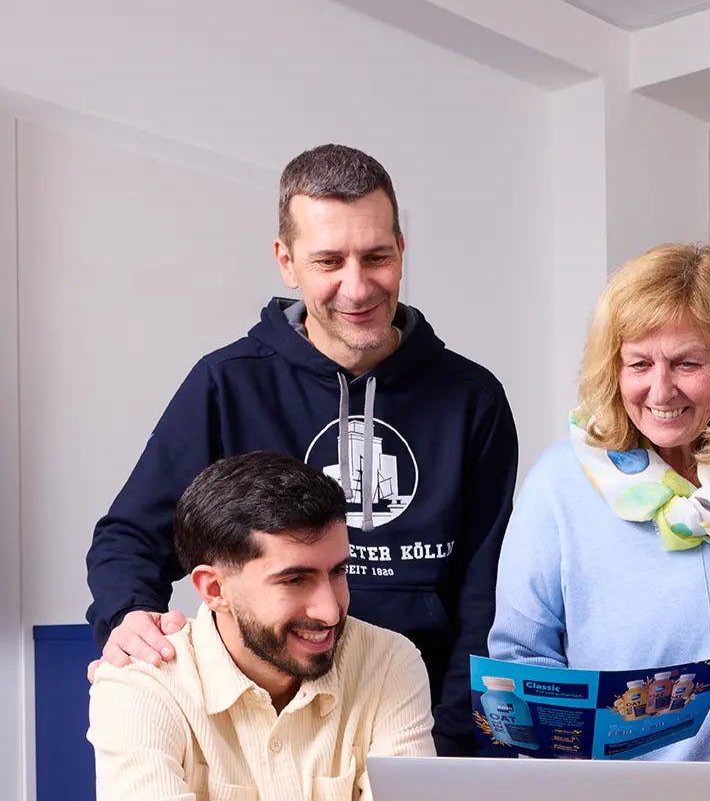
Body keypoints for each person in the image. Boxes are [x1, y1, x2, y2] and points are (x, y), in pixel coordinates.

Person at [86, 143, 518, 756]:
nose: (357, 285)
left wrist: (451, 741)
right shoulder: (228, 383)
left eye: (377, 257)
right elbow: (131, 534)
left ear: (402, 253)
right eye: (328, 261)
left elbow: (485, 589)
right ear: (286, 262)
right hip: (258, 717)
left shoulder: (472, 398)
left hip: (410, 712)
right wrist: (127, 616)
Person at [88, 453, 435, 801]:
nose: (330, 609)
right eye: (295, 580)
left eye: (338, 571)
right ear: (214, 588)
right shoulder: (140, 686)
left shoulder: (388, 662)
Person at [488, 243, 710, 759]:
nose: (661, 391)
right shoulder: (558, 484)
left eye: (687, 363)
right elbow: (520, 661)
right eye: (638, 363)